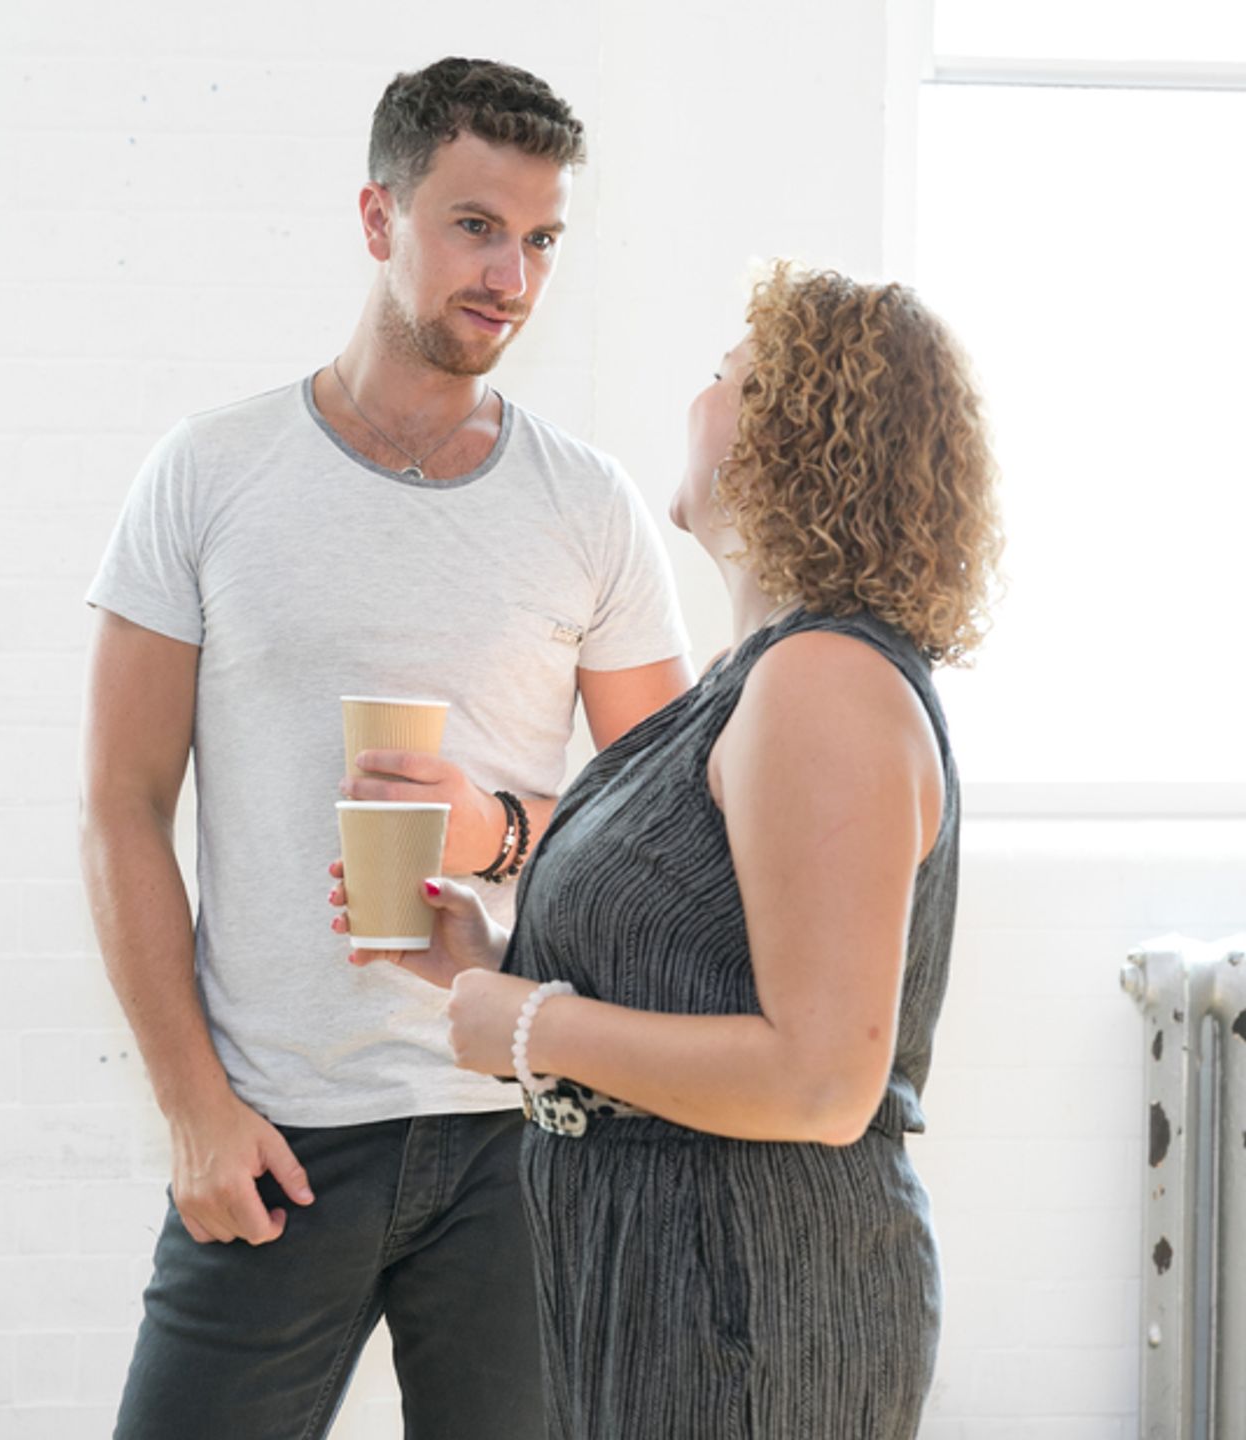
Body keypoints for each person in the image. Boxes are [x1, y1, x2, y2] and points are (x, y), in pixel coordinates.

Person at [79, 57, 691, 1440]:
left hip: (524, 1133)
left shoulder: (587, 508)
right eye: (477, 225)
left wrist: (497, 831)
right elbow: (119, 806)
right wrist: (193, 1109)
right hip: (278, 1135)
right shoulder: (209, 474)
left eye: (541, 241)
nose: (513, 277)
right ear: (379, 217)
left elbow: (662, 839)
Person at [334, 259, 1002, 1438]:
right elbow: (706, 968)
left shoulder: (822, 685)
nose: (696, 400)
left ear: (783, 438)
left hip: (753, 1302)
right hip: (672, 1293)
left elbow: (820, 1079)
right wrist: (492, 954)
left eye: (722, 378)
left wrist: (529, 1030)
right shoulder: (763, 679)